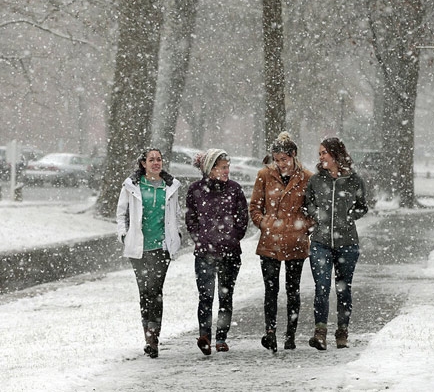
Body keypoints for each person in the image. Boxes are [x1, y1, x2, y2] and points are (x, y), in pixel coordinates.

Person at [249, 131, 314, 352]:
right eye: (276, 160)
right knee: (270, 289)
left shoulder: (306, 177)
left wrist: (303, 225)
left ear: (293, 155)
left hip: (296, 241)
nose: (280, 165)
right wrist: (265, 223)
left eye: (284, 160)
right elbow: (255, 206)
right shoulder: (264, 175)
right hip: (270, 241)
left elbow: (313, 210)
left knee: (293, 290)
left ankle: (291, 334)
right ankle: (270, 332)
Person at [116, 148, 182, 359]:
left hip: (161, 247)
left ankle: (154, 338)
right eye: (151, 160)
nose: (156, 163)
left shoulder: (170, 186)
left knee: (156, 290)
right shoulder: (132, 186)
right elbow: (121, 213)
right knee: (145, 292)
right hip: (139, 248)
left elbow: (176, 213)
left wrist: (176, 234)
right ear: (143, 163)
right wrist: (124, 235)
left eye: (159, 159)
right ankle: (148, 336)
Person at [303, 137, 368, 350]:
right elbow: (307, 204)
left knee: (343, 289)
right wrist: (316, 213)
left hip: (347, 243)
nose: (321, 157)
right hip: (321, 241)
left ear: (336, 155)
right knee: (322, 286)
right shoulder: (316, 180)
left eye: (324, 153)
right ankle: (320, 333)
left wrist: (349, 216)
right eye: (320, 153)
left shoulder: (353, 180)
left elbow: (362, 206)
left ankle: (342, 332)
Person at [185, 149, 248, 355]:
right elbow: (191, 219)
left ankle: (221, 337)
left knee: (225, 295)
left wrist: (232, 237)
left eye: (227, 166)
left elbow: (242, 219)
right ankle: (205, 336)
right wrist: (201, 239)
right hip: (204, 253)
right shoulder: (195, 190)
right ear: (210, 169)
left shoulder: (235, 190)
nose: (227, 170)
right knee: (205, 296)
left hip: (230, 252)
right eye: (223, 167)